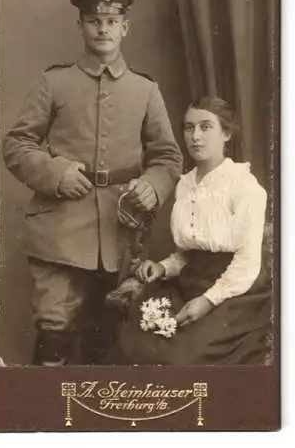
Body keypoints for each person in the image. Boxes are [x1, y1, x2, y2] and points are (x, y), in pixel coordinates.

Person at [2, 0, 183, 366]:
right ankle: (46, 415)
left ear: (125, 27)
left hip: (121, 232)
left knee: (109, 332)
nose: (103, 29)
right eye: (94, 20)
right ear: (80, 25)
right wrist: (55, 172)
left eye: (112, 21)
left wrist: (153, 184)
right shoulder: (54, 82)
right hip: (60, 230)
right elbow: (16, 145)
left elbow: (168, 156)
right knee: (54, 328)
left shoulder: (144, 90)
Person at [108, 96, 271, 365]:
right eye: (188, 127)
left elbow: (247, 262)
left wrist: (207, 301)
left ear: (226, 133)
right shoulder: (185, 185)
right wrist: (163, 268)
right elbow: (186, 255)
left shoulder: (245, 186)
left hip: (235, 292)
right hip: (190, 282)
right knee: (134, 344)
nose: (195, 136)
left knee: (181, 357)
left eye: (206, 127)